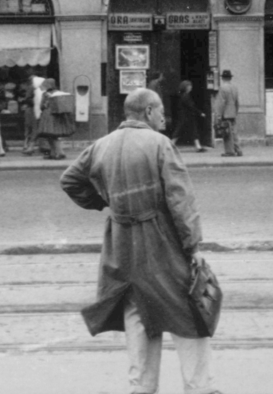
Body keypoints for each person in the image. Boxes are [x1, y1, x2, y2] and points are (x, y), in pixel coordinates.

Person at [58, 87, 217, 394]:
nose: (164, 117)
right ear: (147, 112)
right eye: (160, 112)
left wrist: (105, 202)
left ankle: (141, 388)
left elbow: (70, 180)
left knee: (137, 312)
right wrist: (193, 246)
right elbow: (179, 199)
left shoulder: (101, 145)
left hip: (121, 240)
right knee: (188, 309)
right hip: (160, 240)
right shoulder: (160, 144)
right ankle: (200, 388)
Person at [36, 77, 75, 160]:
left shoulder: (45, 94)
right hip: (57, 117)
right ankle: (56, 153)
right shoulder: (59, 93)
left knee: (50, 136)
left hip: (47, 117)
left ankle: (58, 153)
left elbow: (41, 106)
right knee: (55, 136)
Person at [172, 77, 208, 153]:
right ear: (186, 87)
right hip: (187, 116)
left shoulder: (183, 95)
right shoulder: (186, 96)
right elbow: (191, 106)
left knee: (191, 131)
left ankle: (198, 147)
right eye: (189, 86)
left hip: (186, 116)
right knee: (180, 131)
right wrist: (200, 113)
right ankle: (170, 146)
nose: (191, 87)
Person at [213, 69, 242, 157]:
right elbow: (237, 102)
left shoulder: (223, 88)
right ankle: (238, 150)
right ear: (230, 78)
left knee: (227, 134)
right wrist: (235, 111)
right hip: (233, 113)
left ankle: (230, 151)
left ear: (223, 78)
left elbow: (221, 103)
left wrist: (218, 115)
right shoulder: (234, 87)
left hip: (225, 114)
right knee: (234, 133)